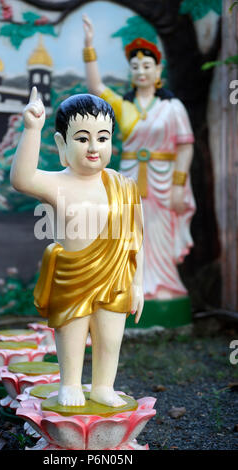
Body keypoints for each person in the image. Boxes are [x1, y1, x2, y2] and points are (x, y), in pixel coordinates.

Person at [10, 88, 144, 407]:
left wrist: (138, 284)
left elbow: (137, 240)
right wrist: (31, 130)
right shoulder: (59, 183)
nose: (94, 147)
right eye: (82, 139)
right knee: (72, 334)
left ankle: (102, 386)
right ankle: (70, 383)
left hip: (116, 276)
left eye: (102, 137)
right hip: (73, 276)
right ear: (62, 145)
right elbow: (22, 178)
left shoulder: (124, 186)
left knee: (110, 338)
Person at [82, 15, 196, 301]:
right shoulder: (124, 106)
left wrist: (179, 184)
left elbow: (185, 147)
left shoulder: (173, 107)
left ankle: (164, 286)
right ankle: (132, 286)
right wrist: (89, 47)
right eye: (135, 67)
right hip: (130, 177)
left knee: (160, 231)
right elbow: (96, 88)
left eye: (147, 66)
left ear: (158, 70)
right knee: (128, 232)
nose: (141, 71)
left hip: (164, 178)